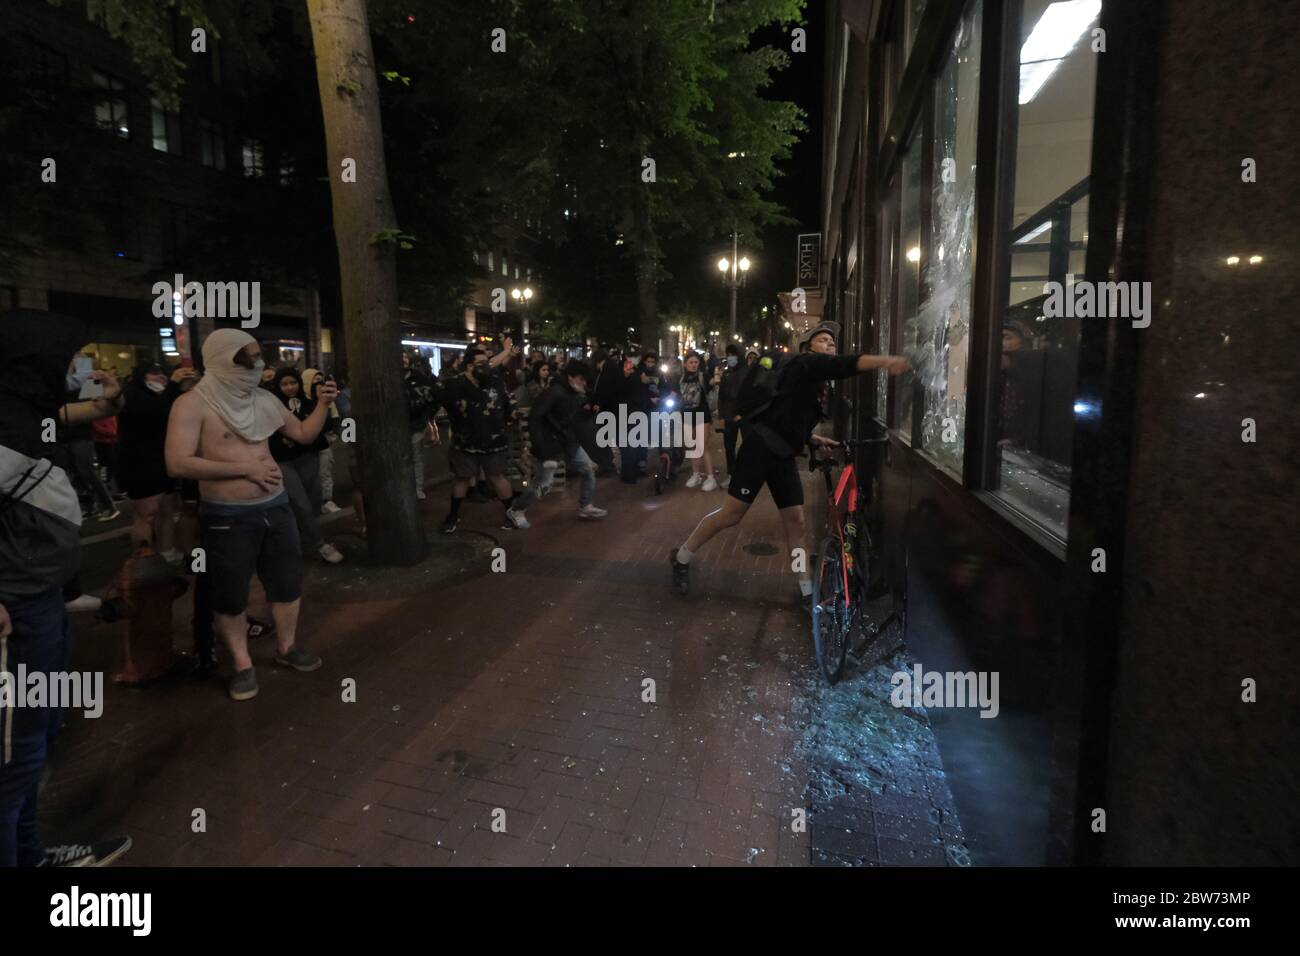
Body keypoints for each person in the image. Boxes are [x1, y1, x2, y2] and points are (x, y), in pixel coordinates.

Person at [0, 309, 132, 867]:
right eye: (67, 359)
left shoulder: (25, 409)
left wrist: (112, 395)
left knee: (33, 748)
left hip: (41, 601)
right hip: (17, 612)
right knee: (14, 760)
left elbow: (97, 410)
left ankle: (31, 856)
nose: (75, 367)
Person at [669, 321, 909, 605]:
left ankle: (806, 589)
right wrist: (885, 361)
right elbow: (846, 365)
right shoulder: (805, 365)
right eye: (823, 340)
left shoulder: (813, 383)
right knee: (731, 515)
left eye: (832, 342)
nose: (830, 345)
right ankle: (682, 556)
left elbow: (788, 416)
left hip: (783, 455)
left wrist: (812, 439)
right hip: (758, 450)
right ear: (808, 348)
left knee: (796, 522)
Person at [165, 328, 337, 701]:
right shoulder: (192, 405)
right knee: (230, 592)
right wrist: (245, 470)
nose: (258, 364)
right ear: (224, 359)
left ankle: (287, 647)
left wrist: (323, 404)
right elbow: (178, 462)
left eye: (259, 355)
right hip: (227, 515)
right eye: (249, 357)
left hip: (275, 507)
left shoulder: (262, 399)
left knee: (287, 581)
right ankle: (242, 665)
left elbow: (304, 434)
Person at [428, 343, 519, 534]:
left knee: (497, 477)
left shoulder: (495, 380)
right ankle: (452, 516)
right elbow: (432, 399)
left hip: (494, 443)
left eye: (487, 361)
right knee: (462, 479)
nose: (487, 365)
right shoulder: (453, 385)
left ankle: (512, 514)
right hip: (465, 443)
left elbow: (508, 400)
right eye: (481, 363)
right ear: (469, 365)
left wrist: (513, 413)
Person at [506, 360, 608, 528]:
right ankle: (516, 509)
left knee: (588, 469)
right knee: (544, 484)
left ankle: (585, 506)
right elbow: (535, 418)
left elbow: (569, 415)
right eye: (581, 379)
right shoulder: (554, 393)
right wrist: (540, 447)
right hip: (550, 445)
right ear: (570, 377)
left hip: (568, 442)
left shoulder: (572, 392)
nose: (583, 383)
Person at [117, 361, 194, 561]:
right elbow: (152, 413)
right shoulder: (132, 395)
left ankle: (166, 550)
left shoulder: (163, 394)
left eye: (162, 373)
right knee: (146, 516)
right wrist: (174, 386)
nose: (160, 376)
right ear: (141, 376)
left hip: (164, 461)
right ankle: (141, 562)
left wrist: (181, 389)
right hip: (140, 464)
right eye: (153, 373)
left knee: (168, 510)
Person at [268, 368, 344, 564]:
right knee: (299, 502)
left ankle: (301, 540)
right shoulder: (272, 407)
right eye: (284, 384)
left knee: (310, 502)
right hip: (284, 462)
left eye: (292, 383)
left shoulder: (310, 403)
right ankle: (319, 543)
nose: (289, 387)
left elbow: (322, 428)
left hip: (308, 458)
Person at [676, 350, 718, 491]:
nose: (694, 365)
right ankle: (696, 475)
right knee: (692, 445)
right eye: (691, 362)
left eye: (696, 362)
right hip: (687, 414)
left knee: (702, 445)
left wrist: (717, 376)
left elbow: (712, 382)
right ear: (685, 364)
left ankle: (711, 478)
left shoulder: (702, 376)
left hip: (702, 414)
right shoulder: (681, 378)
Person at [403, 351, 437, 499]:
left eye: (405, 356)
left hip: (416, 424)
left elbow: (431, 397)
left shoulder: (419, 377)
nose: (403, 360)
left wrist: (426, 415)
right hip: (395, 427)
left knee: (416, 456)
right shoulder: (388, 377)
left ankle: (417, 488)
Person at [715, 344, 745, 483]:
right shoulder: (727, 373)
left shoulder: (746, 372)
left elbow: (749, 396)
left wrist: (742, 413)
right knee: (729, 447)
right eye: (729, 354)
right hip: (729, 416)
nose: (731, 357)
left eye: (733, 354)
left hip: (744, 416)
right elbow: (722, 396)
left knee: (748, 446)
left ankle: (746, 474)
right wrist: (721, 415)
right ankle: (731, 474)